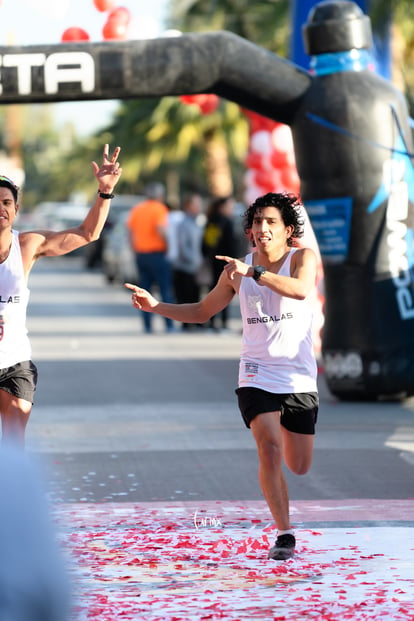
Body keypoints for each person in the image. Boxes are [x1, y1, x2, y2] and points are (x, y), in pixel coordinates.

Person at [126, 192, 319, 561]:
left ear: (288, 230)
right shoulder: (235, 270)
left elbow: (300, 290)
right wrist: (156, 306)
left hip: (298, 379)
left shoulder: (301, 258)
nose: (262, 228)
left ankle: (285, 514)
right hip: (256, 372)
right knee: (269, 447)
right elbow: (202, 311)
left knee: (299, 464)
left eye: (271, 222)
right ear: (250, 229)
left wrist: (256, 273)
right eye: (257, 222)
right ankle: (284, 532)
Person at [0, 144, 122, 447]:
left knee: (13, 446)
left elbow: (87, 233)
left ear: (16, 209)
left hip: (14, 362)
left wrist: (104, 192)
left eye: (6, 202)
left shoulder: (28, 245)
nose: (0, 208)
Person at [126, 181, 175, 333]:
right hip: (157, 254)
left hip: (141, 255)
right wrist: (169, 247)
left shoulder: (137, 209)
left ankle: (147, 325)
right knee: (165, 290)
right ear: (160, 195)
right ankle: (169, 324)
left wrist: (134, 250)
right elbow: (161, 229)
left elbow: (130, 233)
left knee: (143, 291)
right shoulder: (159, 209)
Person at [202, 195, 237, 331]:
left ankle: (211, 320)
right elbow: (231, 244)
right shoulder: (226, 221)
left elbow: (206, 243)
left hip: (212, 260)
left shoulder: (211, 221)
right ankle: (223, 321)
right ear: (222, 207)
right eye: (230, 206)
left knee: (213, 290)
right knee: (226, 291)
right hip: (226, 262)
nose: (232, 209)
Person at [171, 193, 205, 331]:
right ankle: (186, 322)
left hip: (196, 266)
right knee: (185, 295)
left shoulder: (199, 221)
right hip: (185, 266)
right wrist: (195, 260)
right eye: (195, 204)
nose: (198, 207)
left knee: (196, 294)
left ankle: (196, 321)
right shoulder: (183, 223)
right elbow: (183, 246)